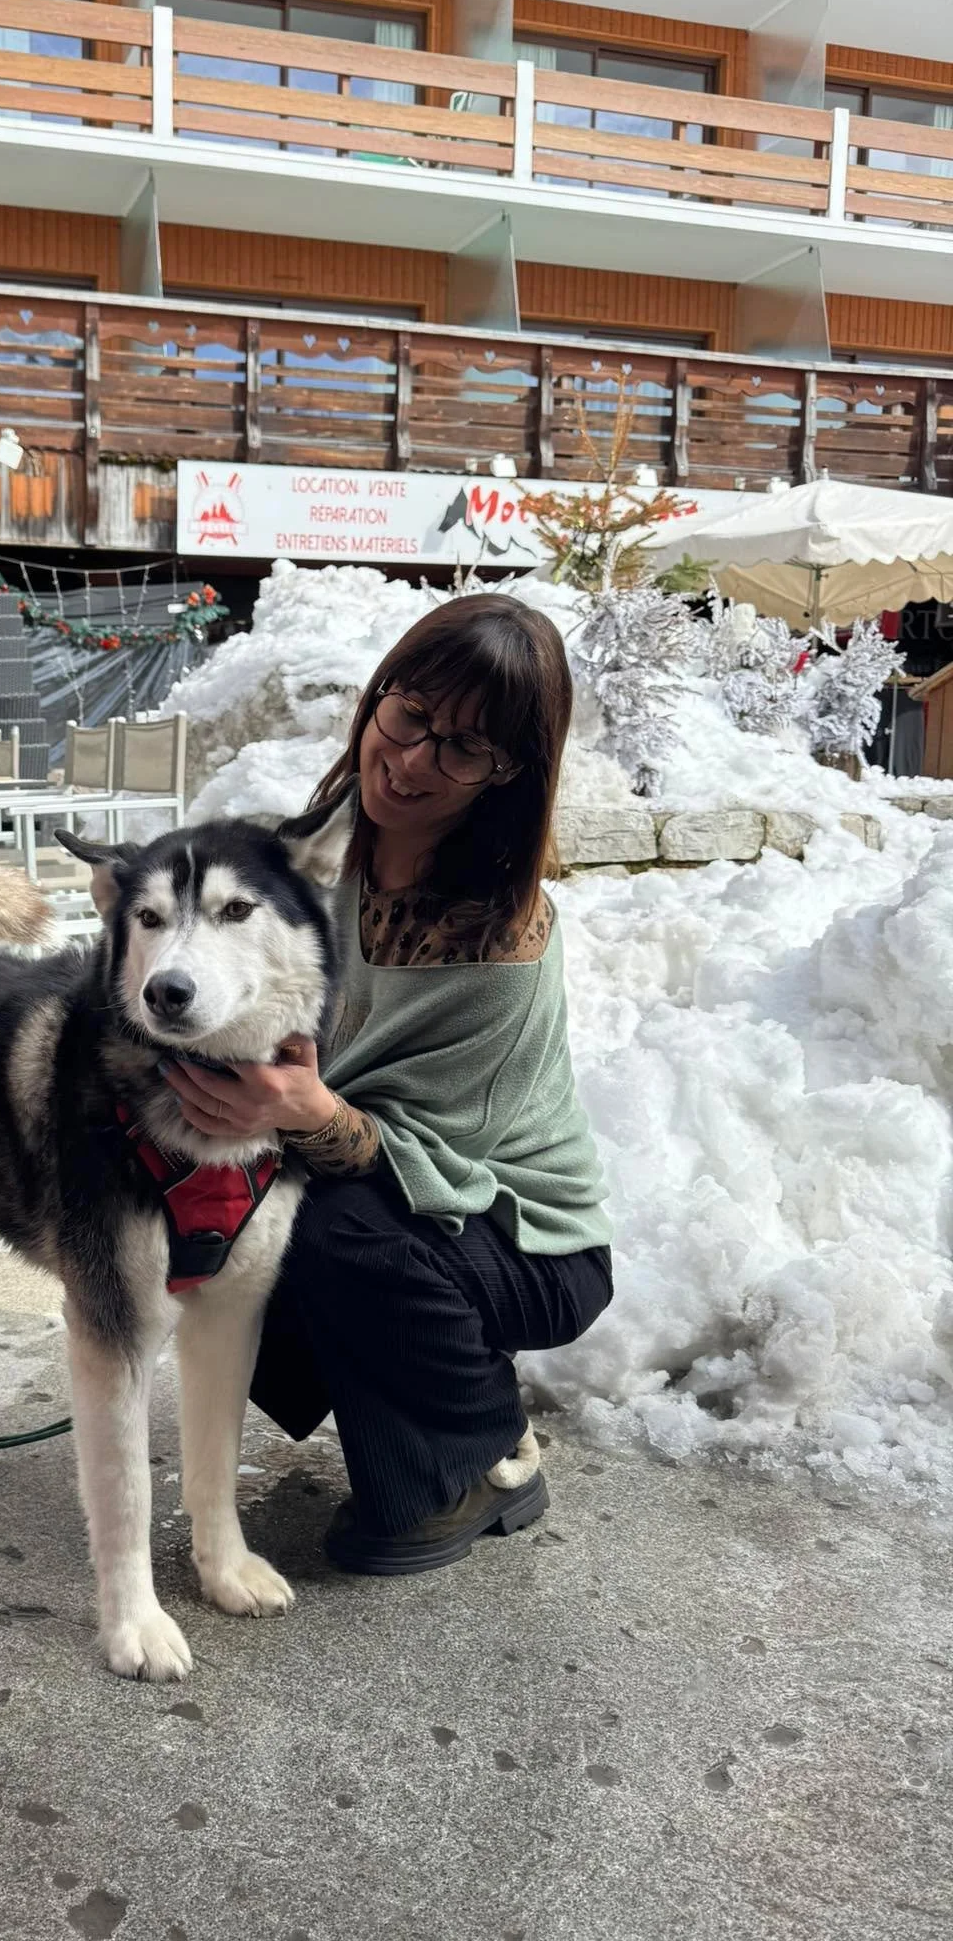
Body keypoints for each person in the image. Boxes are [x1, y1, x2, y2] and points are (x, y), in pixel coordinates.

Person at [164, 592, 613, 1574]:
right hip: (381, 1193)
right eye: (409, 716)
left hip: (523, 1230)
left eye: (462, 748)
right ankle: (437, 1413)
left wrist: (306, 1114)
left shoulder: (504, 940)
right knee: (227, 1220)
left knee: (326, 1229)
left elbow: (442, 1169)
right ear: (379, 699)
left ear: (509, 774)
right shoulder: (310, 863)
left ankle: (479, 1448)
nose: (411, 761)